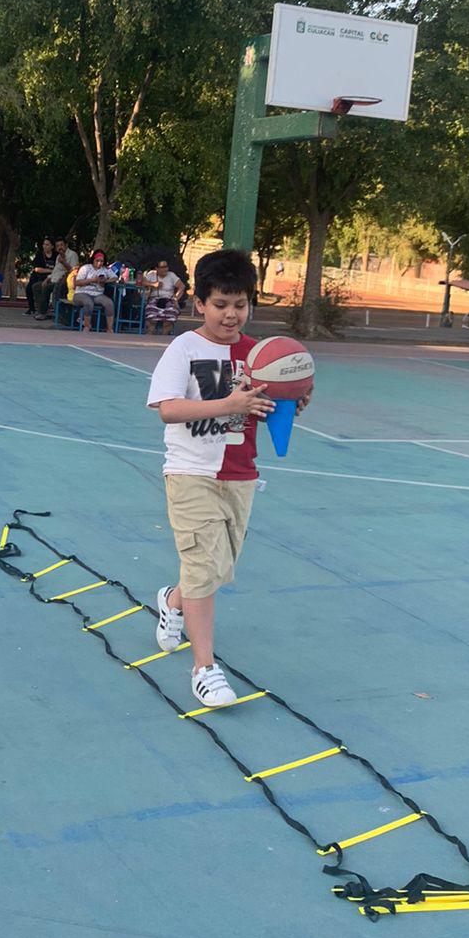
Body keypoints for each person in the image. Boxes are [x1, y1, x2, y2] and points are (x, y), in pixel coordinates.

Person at [145, 248, 309, 709]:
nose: (231, 314)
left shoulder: (259, 355)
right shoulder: (185, 349)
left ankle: (173, 600)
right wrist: (228, 405)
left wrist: (291, 402)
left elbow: (266, 409)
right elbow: (168, 409)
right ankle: (204, 669)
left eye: (239, 305)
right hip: (190, 472)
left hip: (240, 475)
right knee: (202, 568)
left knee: (214, 571)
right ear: (200, 303)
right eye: (220, 304)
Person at [72, 249, 116, 332]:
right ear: (93, 260)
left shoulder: (105, 269)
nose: (99, 263)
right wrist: (92, 280)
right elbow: (77, 282)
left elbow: (115, 277)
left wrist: (105, 280)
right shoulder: (85, 268)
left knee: (109, 303)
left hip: (97, 294)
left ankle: (110, 329)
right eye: (97, 261)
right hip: (82, 292)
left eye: (101, 261)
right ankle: (87, 326)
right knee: (88, 302)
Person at [34, 238, 79, 319]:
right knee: (36, 286)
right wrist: (47, 279)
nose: (60, 247)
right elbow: (55, 271)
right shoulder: (58, 256)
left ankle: (43, 313)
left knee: (47, 288)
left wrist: (64, 262)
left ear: (66, 245)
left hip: (63, 281)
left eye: (61, 245)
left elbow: (73, 271)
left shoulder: (72, 255)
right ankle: (42, 309)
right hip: (53, 278)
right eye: (58, 246)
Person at [142, 260, 185, 334]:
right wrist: (153, 284)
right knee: (151, 316)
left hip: (168, 299)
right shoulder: (151, 274)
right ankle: (150, 335)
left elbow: (182, 286)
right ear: (157, 268)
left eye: (166, 267)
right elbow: (142, 282)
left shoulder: (171, 275)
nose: (165, 269)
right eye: (162, 267)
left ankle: (164, 336)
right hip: (154, 299)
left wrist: (176, 298)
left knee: (169, 316)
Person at [25, 238, 56, 315]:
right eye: (44, 244)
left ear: (52, 246)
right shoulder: (39, 255)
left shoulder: (56, 255)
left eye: (47, 244)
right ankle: (31, 308)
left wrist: (52, 272)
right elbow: (37, 269)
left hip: (50, 277)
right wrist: (51, 271)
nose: (45, 246)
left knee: (44, 289)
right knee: (29, 288)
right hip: (38, 276)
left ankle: (43, 309)